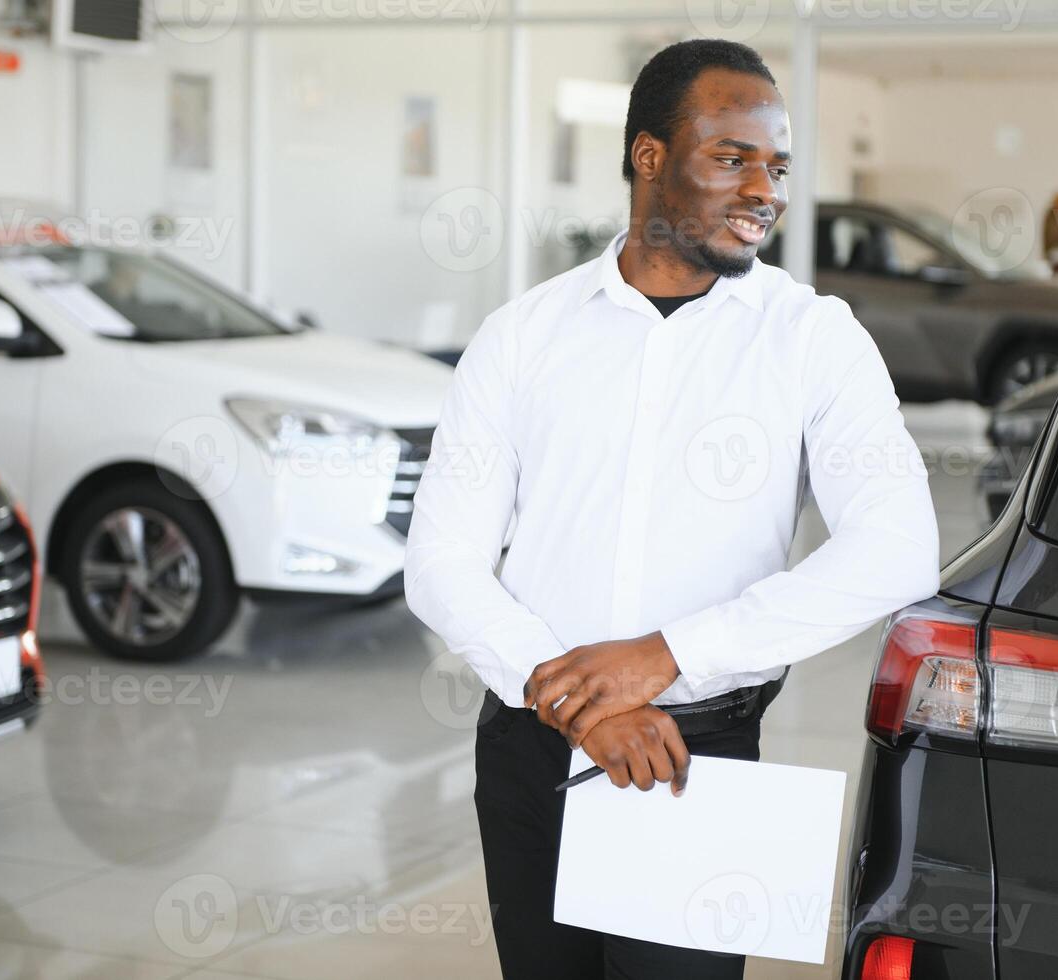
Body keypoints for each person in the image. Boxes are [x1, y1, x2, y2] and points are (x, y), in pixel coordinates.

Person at [405, 39, 939, 980]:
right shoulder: (523, 335)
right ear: (649, 156)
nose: (762, 190)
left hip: (698, 756)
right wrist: (575, 701)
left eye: (775, 166)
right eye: (731, 157)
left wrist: (663, 659)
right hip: (529, 748)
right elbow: (440, 560)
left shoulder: (812, 338)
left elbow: (896, 549)